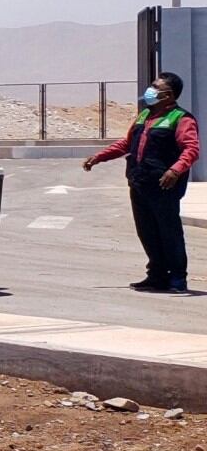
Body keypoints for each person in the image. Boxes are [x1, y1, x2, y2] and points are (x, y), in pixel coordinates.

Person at [84, 71, 198, 295]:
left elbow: (191, 149)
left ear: (168, 95)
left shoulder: (181, 119)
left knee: (169, 232)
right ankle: (156, 275)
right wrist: (98, 157)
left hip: (164, 186)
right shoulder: (144, 115)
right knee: (146, 231)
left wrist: (175, 170)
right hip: (139, 182)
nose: (151, 90)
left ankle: (177, 278)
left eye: (156, 87)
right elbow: (126, 143)